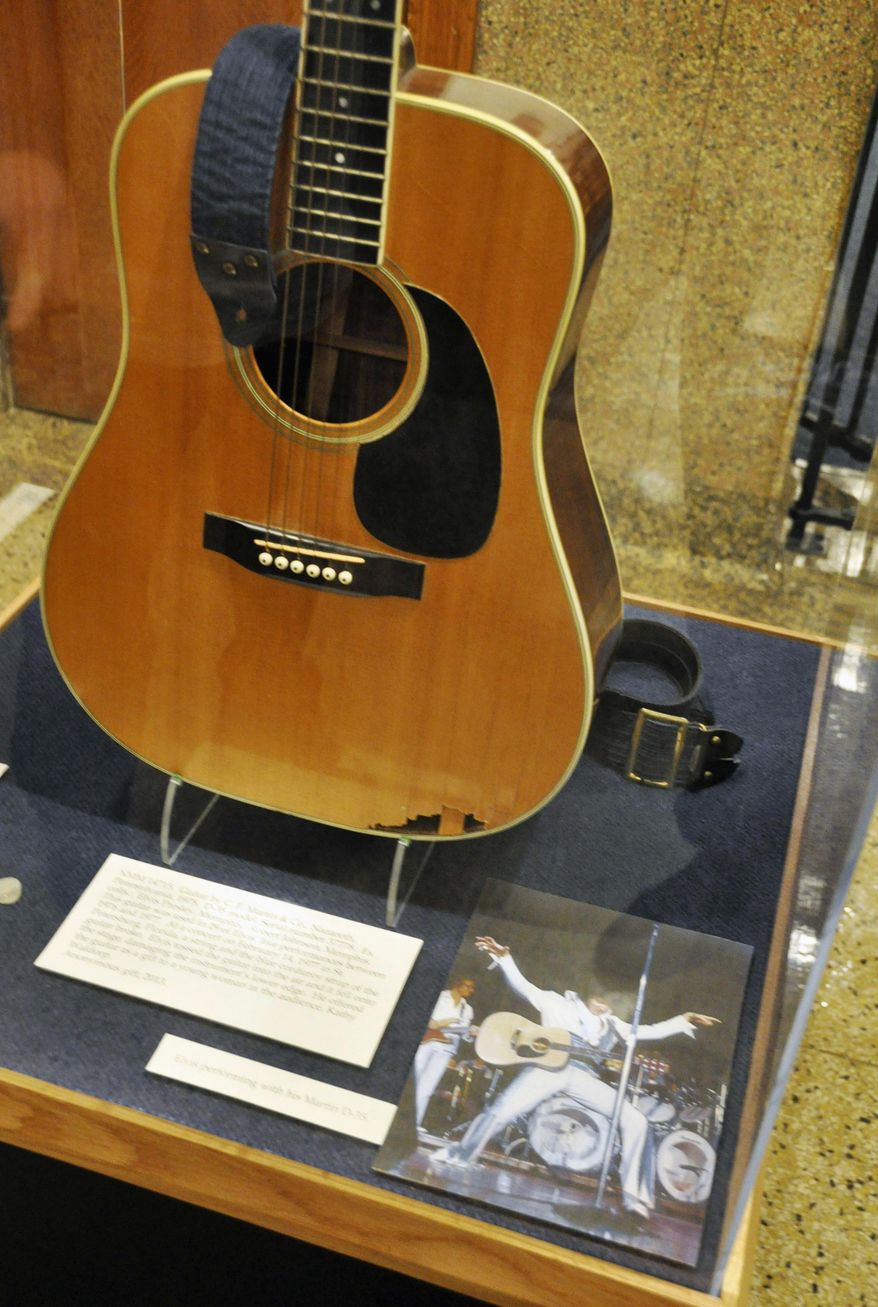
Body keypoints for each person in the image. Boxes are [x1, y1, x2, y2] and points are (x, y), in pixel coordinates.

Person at [433, 937, 720, 1223]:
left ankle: (637, 1202)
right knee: (501, 1110)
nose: (603, 999)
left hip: (582, 1077)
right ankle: (459, 1154)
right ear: (587, 989)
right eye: (598, 992)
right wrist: (506, 959)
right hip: (549, 1069)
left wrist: (684, 1020)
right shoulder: (557, 1003)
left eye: (610, 995)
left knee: (637, 1121)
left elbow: (650, 1030)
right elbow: (525, 987)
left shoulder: (614, 1025)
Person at [414, 976, 478, 1129]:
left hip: (447, 1048)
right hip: (427, 1042)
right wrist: (438, 1024)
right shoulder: (440, 996)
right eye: (468, 986)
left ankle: (414, 1123)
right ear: (457, 984)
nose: (471, 990)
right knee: (414, 1080)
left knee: (428, 1086)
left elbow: (464, 1034)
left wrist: (470, 1034)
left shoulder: (467, 1010)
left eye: (472, 988)